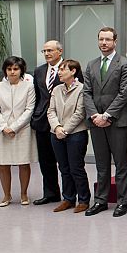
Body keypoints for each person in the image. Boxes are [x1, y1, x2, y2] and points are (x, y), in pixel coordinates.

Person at [83, 27, 127, 217]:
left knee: (120, 164)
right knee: (101, 164)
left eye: (108, 40)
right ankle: (101, 201)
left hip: (117, 121)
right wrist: (95, 115)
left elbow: (124, 92)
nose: (104, 43)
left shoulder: (125, 63)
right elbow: (87, 92)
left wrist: (107, 115)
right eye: (101, 39)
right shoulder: (91, 64)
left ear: (115, 41)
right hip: (95, 122)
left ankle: (122, 202)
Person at [0, 56, 37, 207]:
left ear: (21, 70)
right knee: (3, 164)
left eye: (16, 69)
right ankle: (6, 195)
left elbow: (29, 109)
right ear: (5, 71)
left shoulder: (28, 87)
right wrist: (4, 127)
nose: (12, 72)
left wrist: (14, 127)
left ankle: (24, 194)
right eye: (9, 69)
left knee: (23, 162)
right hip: (1, 129)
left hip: (22, 129)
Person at [47, 59, 90, 213]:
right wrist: (57, 127)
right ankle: (68, 198)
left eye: (63, 69)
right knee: (63, 168)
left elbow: (80, 113)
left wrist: (65, 130)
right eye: (59, 70)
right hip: (56, 133)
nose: (59, 72)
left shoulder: (82, 89)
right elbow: (50, 111)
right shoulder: (56, 89)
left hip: (76, 134)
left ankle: (84, 199)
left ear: (73, 71)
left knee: (76, 167)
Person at [30, 40, 63, 206]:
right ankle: (51, 193)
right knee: (46, 161)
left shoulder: (70, 68)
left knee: (65, 162)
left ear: (60, 51)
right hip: (42, 121)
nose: (47, 54)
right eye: (44, 51)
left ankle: (71, 195)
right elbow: (37, 96)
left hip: (62, 121)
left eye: (50, 50)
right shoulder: (39, 71)